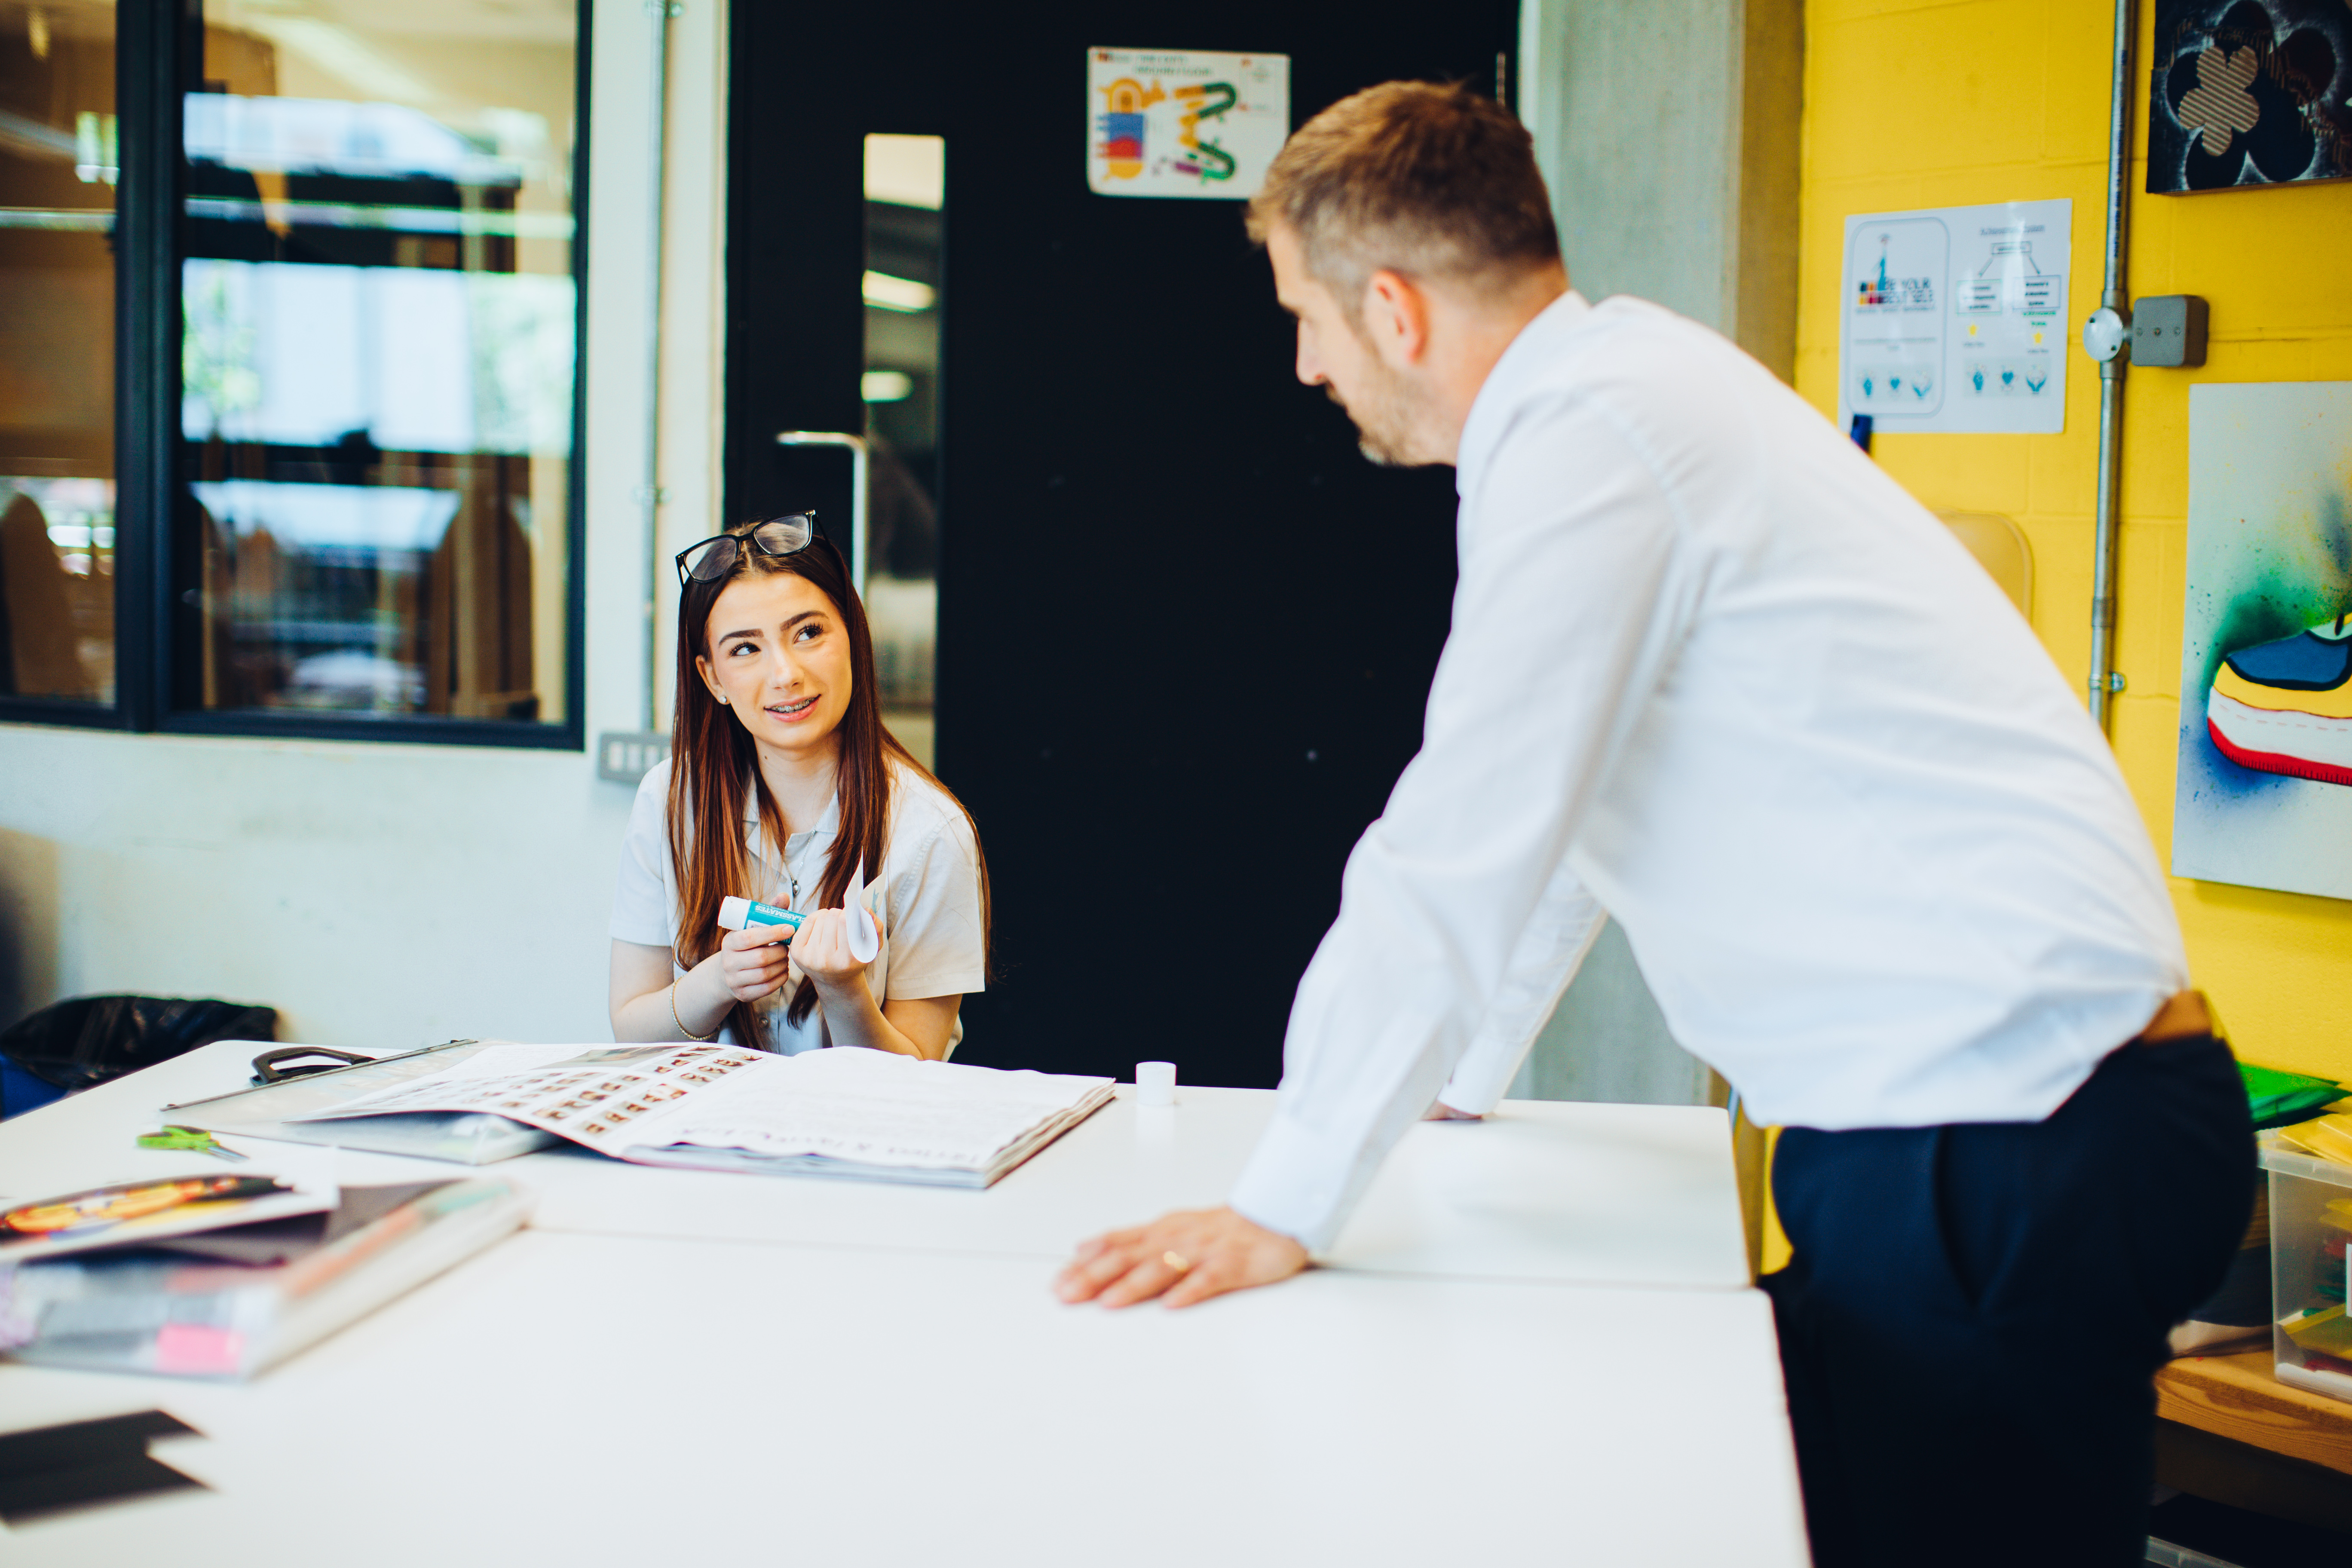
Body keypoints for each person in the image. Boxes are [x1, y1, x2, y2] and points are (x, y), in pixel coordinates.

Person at [1053, 83, 2251, 1566]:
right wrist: (1449, 1087)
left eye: (1306, 316)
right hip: (2017, 1126)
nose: (1307, 363)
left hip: (2003, 1139)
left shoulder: (1597, 435)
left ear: (1394, 308)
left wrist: (1286, 1198)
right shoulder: (1634, 398)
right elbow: (1559, 824)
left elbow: (1463, 825)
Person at [609, 514, 987, 1059]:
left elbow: (916, 1075)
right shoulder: (669, 799)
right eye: (745, 649)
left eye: (808, 633)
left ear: (853, 637)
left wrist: (843, 990)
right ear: (712, 678)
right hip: (708, 1131)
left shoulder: (931, 831)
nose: (785, 673)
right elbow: (631, 1028)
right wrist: (719, 982)